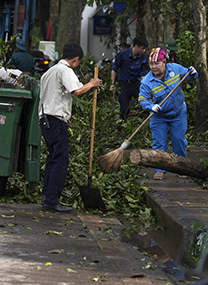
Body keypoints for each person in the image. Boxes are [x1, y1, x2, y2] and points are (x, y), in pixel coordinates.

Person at [38, 43, 102, 212]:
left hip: (47, 119)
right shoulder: (65, 70)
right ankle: (52, 200)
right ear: (75, 59)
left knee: (53, 158)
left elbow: (52, 97)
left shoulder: (49, 71)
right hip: (54, 120)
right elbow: (77, 91)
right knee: (60, 160)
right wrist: (92, 83)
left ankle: (47, 197)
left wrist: (64, 116)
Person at [138, 47, 197, 180]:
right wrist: (151, 107)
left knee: (179, 140)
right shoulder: (147, 81)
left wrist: (193, 73)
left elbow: (190, 77)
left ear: (165, 62)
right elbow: (143, 99)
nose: (153, 67)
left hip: (178, 113)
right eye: (151, 64)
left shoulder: (175, 69)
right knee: (159, 143)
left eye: (157, 63)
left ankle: (181, 167)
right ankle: (160, 169)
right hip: (159, 116)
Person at [110, 36, 149, 119]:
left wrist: (148, 86)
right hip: (124, 85)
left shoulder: (143, 59)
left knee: (144, 105)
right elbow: (114, 69)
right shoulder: (122, 55)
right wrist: (112, 84)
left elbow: (143, 75)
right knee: (124, 109)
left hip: (136, 84)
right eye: (142, 48)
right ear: (136, 46)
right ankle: (120, 128)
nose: (144, 51)